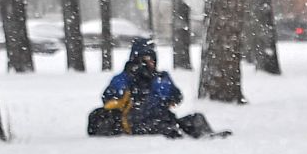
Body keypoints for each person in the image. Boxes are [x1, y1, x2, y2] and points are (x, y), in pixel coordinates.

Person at [87, 38, 220, 138]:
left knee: (196, 119)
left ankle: (207, 138)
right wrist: (127, 88)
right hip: (137, 122)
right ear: (137, 59)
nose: (151, 63)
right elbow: (109, 97)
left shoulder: (160, 78)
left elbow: (176, 96)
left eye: (152, 60)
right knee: (166, 129)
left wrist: (171, 96)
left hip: (164, 118)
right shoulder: (125, 78)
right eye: (147, 59)